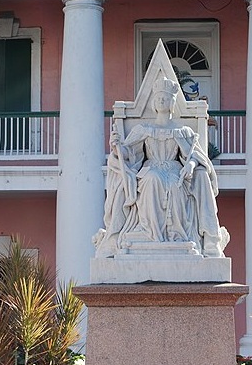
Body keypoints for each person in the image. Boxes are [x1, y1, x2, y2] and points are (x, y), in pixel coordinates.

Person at [95, 76, 228, 257]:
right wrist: (116, 147)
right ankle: (151, 233)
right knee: (152, 180)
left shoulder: (183, 131)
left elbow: (195, 154)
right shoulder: (143, 129)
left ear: (172, 102)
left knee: (176, 184)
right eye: (158, 98)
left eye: (165, 98)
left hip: (175, 170)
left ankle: (178, 235)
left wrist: (190, 164)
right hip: (150, 169)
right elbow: (128, 153)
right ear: (153, 103)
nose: (161, 100)